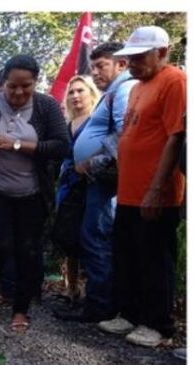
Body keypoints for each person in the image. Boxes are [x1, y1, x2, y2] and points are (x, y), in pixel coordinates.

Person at [0, 54, 69, 332]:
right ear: (2, 84)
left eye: (26, 86)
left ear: (35, 83)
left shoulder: (47, 107)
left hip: (32, 193)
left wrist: (17, 145)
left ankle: (21, 309)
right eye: (12, 86)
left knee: (28, 249)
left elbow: (61, 145)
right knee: (1, 241)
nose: (19, 92)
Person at [96, 26, 186, 347]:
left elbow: (176, 136)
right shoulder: (136, 87)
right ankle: (130, 314)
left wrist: (156, 188)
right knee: (128, 254)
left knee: (155, 259)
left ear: (162, 52)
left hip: (156, 192)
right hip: (129, 190)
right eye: (129, 58)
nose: (131, 63)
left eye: (138, 57)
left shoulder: (175, 81)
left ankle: (157, 323)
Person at [60, 42, 138, 324]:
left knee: (97, 239)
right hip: (96, 181)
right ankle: (98, 304)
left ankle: (99, 307)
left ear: (121, 64)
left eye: (101, 65)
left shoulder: (123, 89)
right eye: (93, 66)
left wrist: (92, 161)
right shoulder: (112, 92)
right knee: (93, 238)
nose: (95, 72)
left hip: (105, 181)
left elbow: (124, 134)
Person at [53, 74, 100, 307]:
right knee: (68, 236)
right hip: (67, 185)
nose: (75, 95)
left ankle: (96, 292)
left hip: (92, 184)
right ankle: (72, 288)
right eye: (71, 92)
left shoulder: (98, 121)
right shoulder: (66, 124)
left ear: (91, 93)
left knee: (91, 238)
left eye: (80, 90)